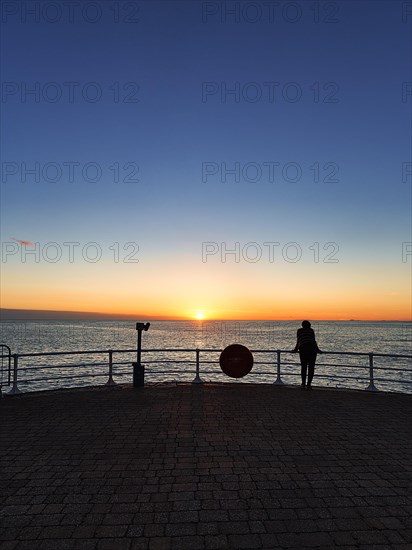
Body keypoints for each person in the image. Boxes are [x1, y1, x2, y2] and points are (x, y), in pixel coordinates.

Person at [292, 321, 322, 390]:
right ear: (309, 325)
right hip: (312, 349)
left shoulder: (299, 331)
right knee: (311, 367)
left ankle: (303, 384)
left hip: (303, 349)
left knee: (304, 367)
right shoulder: (311, 330)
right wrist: (318, 350)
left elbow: (299, 340)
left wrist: (295, 349)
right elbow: (314, 341)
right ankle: (309, 384)